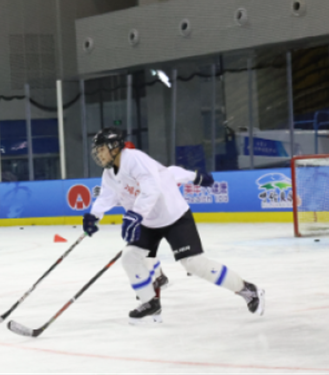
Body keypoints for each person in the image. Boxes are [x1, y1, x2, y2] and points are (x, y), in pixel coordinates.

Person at [82, 128, 265, 324]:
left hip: (173, 216)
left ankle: (248, 290)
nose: (99, 155)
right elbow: (107, 196)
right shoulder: (109, 173)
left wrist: (135, 214)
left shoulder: (134, 159)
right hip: (147, 221)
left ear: (114, 147)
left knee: (193, 264)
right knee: (129, 257)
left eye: (101, 149)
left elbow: (152, 188)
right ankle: (150, 303)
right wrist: (94, 215)